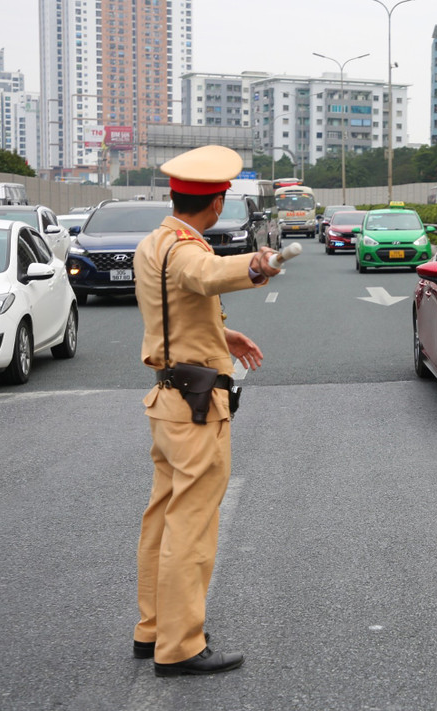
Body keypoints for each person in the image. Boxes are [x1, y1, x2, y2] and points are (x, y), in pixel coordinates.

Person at [131, 145, 281, 677]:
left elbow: (177, 308)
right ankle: (180, 645)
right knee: (191, 526)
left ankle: (153, 629)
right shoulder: (185, 249)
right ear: (216, 204)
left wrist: (221, 332)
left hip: (168, 399)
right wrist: (260, 264)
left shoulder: (155, 241)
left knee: (162, 520)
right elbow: (205, 274)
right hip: (195, 408)